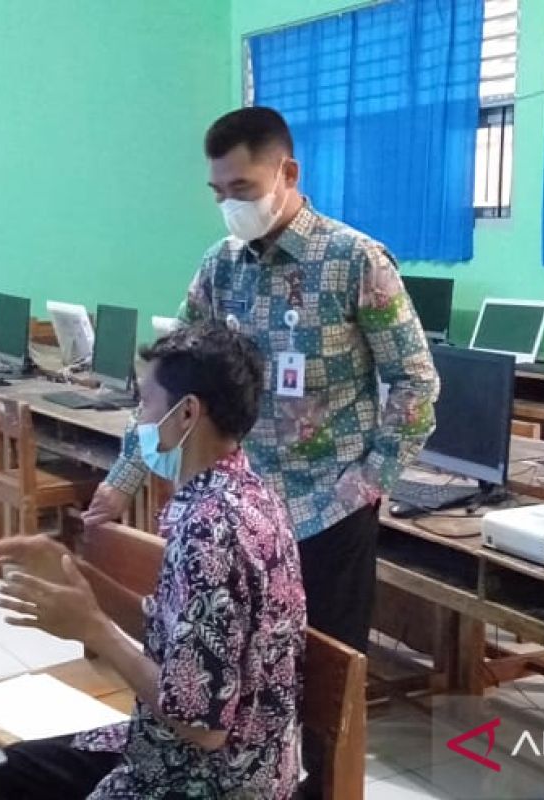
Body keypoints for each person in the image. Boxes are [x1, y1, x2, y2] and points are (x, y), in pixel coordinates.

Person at [83, 106, 439, 796]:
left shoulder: (355, 262)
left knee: (325, 692)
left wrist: (367, 480)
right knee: (225, 683)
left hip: (325, 515)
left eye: (242, 189)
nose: (228, 206)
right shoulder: (219, 269)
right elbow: (169, 380)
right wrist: (121, 481)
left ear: (288, 173)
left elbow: (417, 384)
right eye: (218, 193)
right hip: (235, 517)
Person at [0, 322, 306, 800]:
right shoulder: (251, 495)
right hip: (252, 759)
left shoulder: (209, 532)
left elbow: (201, 726)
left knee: (17, 778)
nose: (138, 418)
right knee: (19, 767)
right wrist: (73, 570)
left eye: (146, 403)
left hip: (214, 779)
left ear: (187, 414)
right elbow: (184, 635)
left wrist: (94, 630)